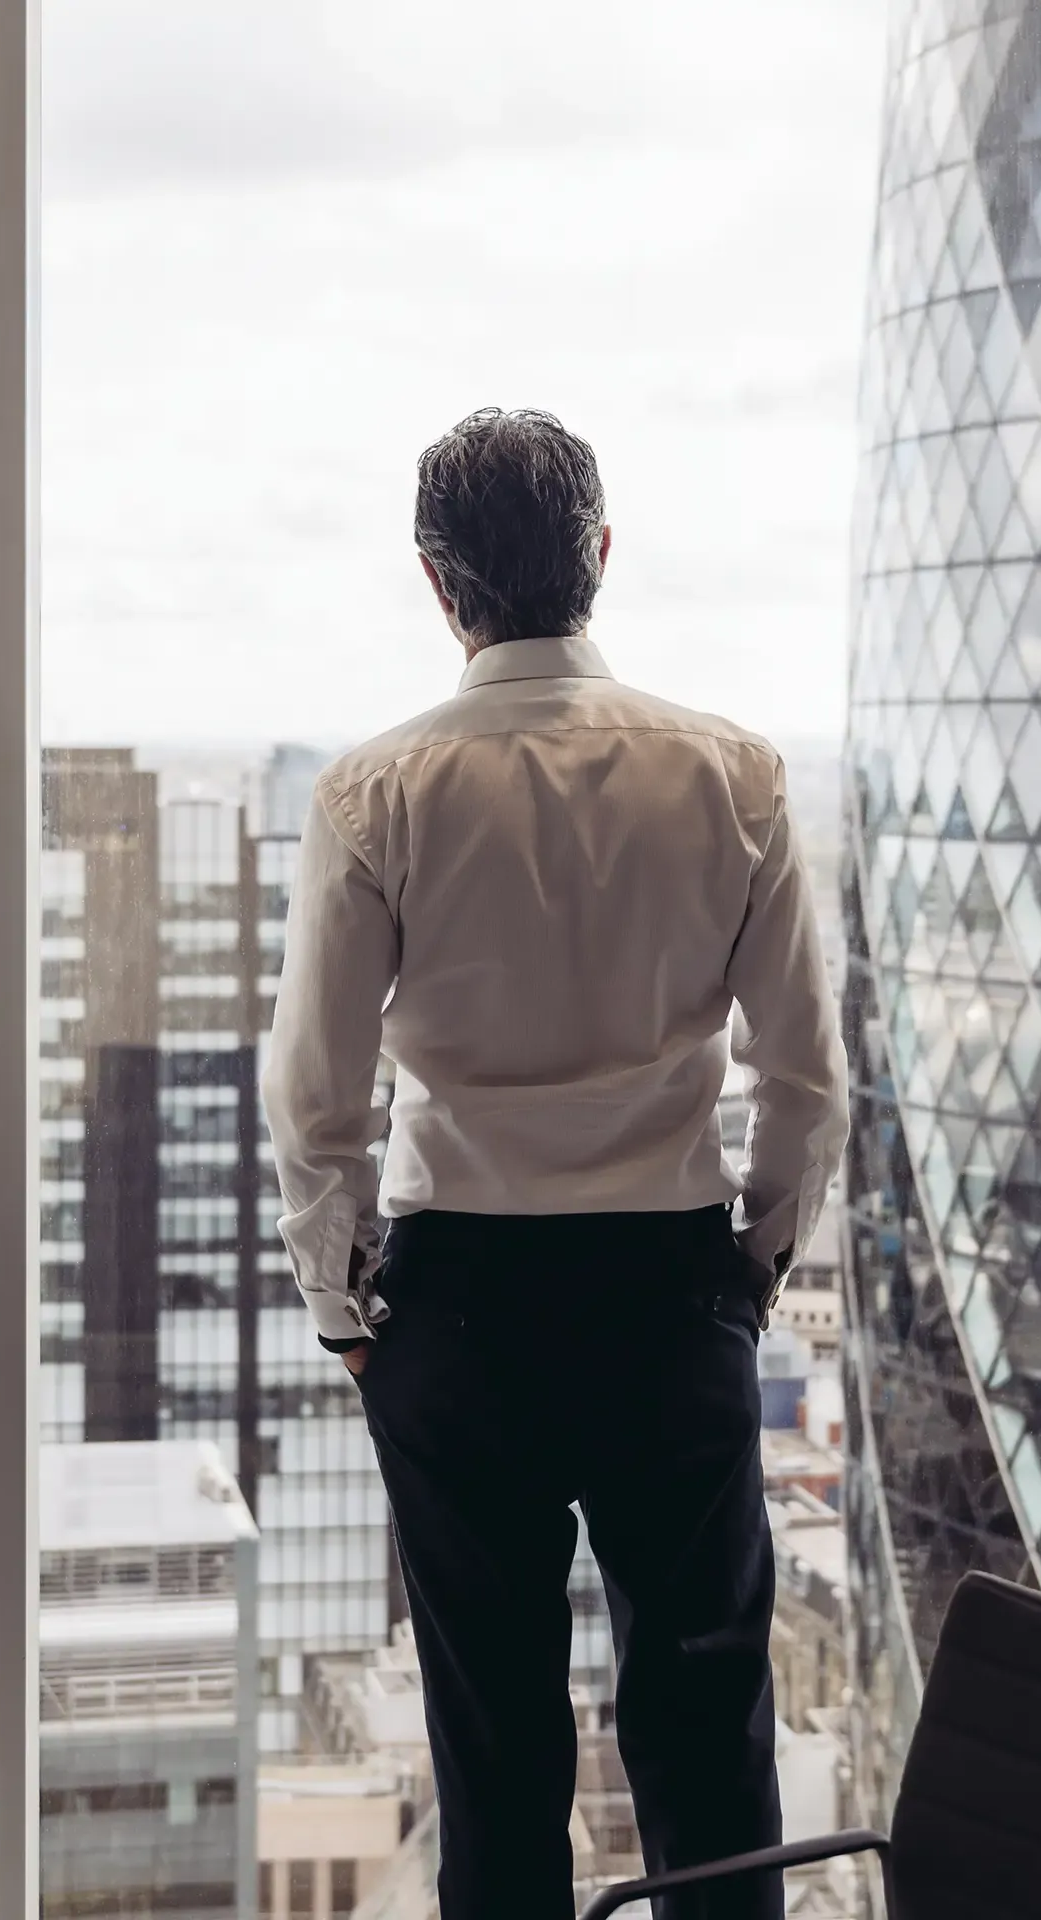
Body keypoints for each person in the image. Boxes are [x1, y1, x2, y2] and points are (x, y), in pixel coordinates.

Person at [262, 407, 847, 1918]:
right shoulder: (737, 776)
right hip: (669, 1289)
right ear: (599, 555)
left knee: (494, 1757)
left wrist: (344, 1310)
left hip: (459, 1304)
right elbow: (805, 1078)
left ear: (437, 585)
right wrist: (754, 1271)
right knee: (712, 1737)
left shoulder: (370, 795)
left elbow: (315, 1096)